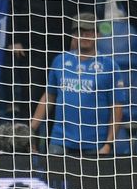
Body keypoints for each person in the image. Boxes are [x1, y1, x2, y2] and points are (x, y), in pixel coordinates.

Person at [30, 13, 127, 156]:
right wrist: (31, 129)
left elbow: (117, 107)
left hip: (95, 144)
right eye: (80, 32)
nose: (85, 36)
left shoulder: (110, 66)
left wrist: (108, 144)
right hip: (59, 141)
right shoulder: (60, 61)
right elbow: (48, 97)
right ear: (74, 35)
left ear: (98, 35)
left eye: (90, 32)